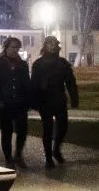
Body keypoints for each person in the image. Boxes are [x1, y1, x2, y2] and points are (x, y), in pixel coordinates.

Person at [30, 36, 79, 169]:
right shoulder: (38, 64)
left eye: (54, 44)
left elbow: (70, 82)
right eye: (49, 44)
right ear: (45, 46)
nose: (52, 46)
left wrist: (74, 98)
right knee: (47, 128)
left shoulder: (62, 63)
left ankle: (56, 149)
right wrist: (33, 102)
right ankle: (48, 158)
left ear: (57, 46)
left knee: (63, 126)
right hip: (44, 100)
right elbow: (33, 84)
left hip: (59, 99)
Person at [0, 37, 32, 169]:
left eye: (17, 48)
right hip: (4, 104)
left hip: (20, 103)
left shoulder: (22, 64)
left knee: (23, 130)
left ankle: (18, 155)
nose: (15, 50)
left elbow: (27, 84)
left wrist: (28, 101)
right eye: (12, 47)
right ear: (6, 47)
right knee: (6, 132)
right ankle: (8, 158)